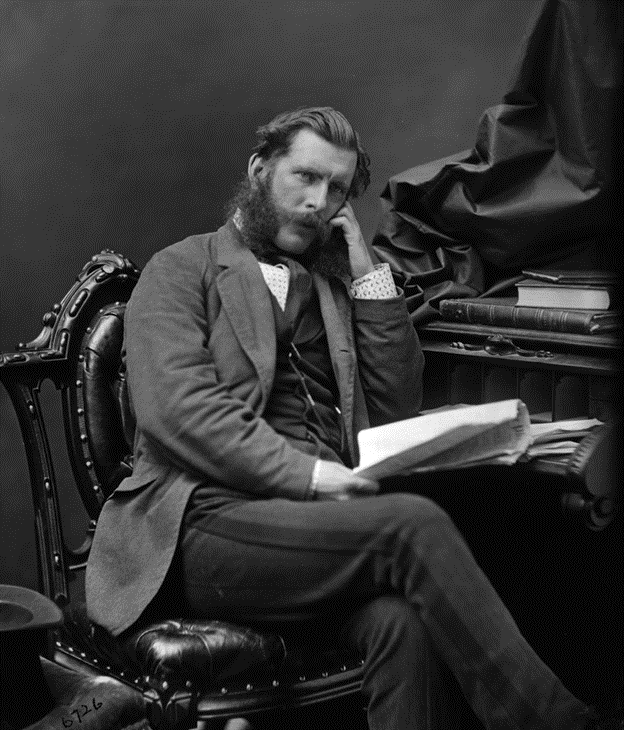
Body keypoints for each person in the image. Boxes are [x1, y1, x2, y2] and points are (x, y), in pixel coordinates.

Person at [86, 107, 618, 730]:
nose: (318, 201)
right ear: (260, 170)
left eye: (336, 189)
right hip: (197, 525)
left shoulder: (333, 287)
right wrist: (314, 476)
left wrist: (365, 275)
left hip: (306, 533)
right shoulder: (181, 269)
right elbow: (179, 413)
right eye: (304, 177)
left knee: (402, 622)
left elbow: (393, 407)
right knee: (409, 524)